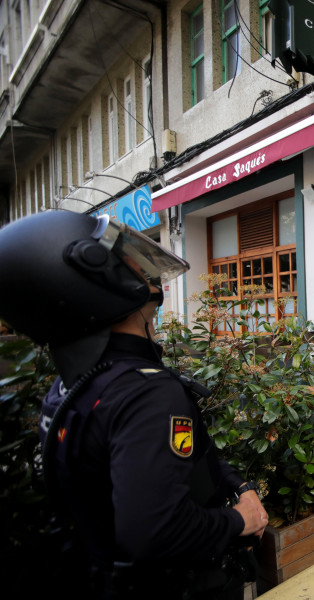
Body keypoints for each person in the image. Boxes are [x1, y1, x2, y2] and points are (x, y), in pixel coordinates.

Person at [0, 211, 269, 599]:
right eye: (125, 266)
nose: (144, 278)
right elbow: (154, 530)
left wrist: (238, 485)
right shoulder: (145, 394)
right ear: (97, 283)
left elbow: (187, 457)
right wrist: (236, 521)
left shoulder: (72, 387)